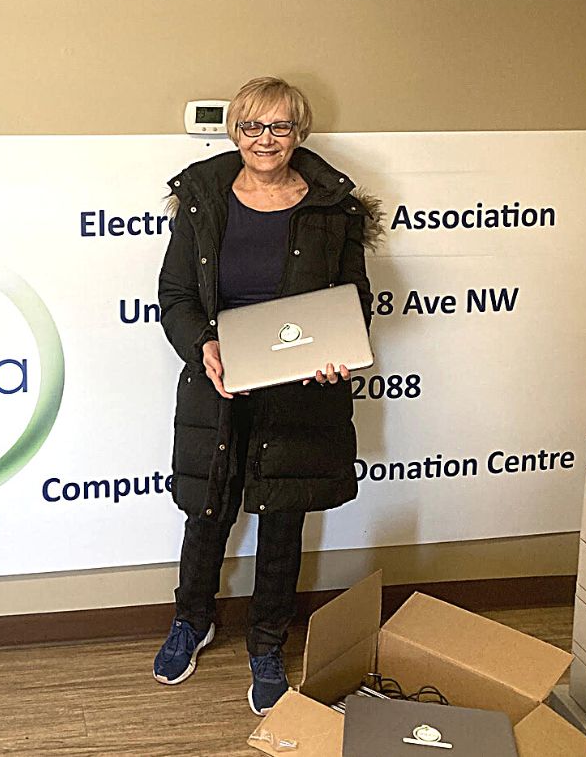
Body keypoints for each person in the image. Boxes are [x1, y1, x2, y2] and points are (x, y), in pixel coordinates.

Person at [153, 76, 381, 715]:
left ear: (299, 132)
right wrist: (202, 345)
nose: (265, 139)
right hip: (220, 381)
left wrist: (338, 350)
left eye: (279, 126)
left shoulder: (334, 209)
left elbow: (355, 298)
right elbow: (176, 295)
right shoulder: (202, 201)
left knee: (283, 518)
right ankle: (191, 620)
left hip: (300, 390)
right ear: (235, 132)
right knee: (207, 510)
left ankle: (267, 644)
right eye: (252, 126)